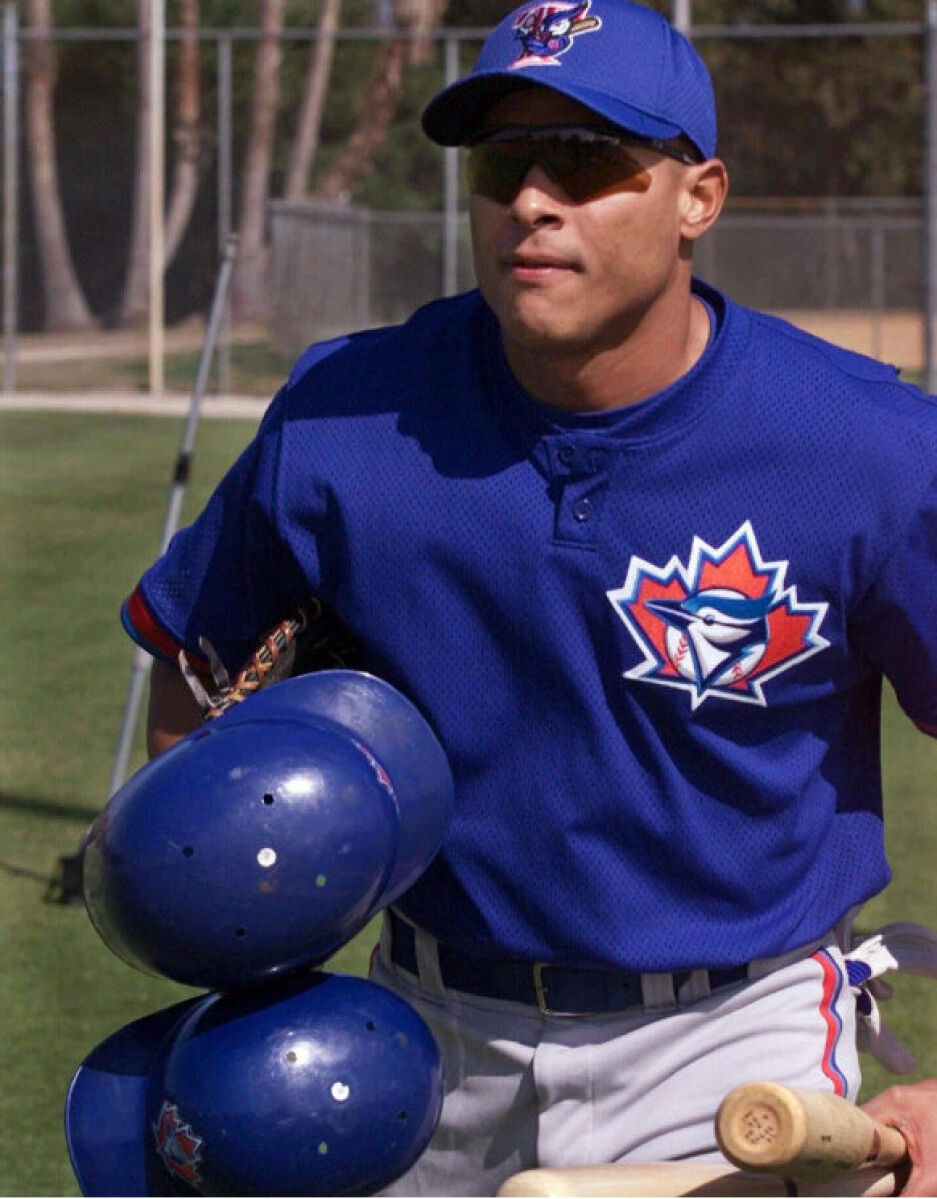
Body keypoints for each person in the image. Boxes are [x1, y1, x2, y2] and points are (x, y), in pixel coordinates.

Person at [122, 1, 937, 1193]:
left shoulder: (867, 447)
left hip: (730, 1042)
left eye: (591, 159)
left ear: (697, 196)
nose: (535, 198)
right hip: (414, 1031)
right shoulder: (350, 411)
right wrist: (230, 940)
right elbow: (195, 673)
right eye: (504, 162)